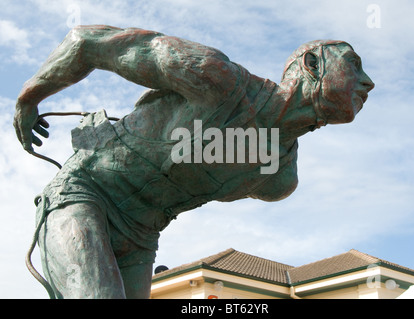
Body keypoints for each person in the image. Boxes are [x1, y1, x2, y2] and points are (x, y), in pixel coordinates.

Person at [14, 25, 374, 299]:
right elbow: (86, 42)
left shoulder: (279, 176)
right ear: (311, 65)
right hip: (84, 194)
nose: (368, 83)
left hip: (140, 240)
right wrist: (29, 98)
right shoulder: (215, 78)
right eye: (353, 66)